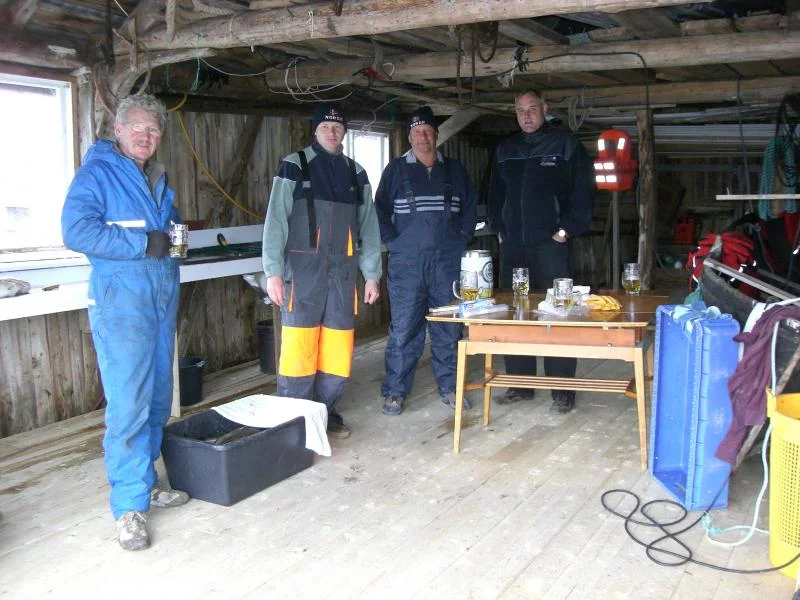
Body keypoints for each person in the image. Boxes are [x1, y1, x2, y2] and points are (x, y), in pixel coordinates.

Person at [61, 94, 189, 552]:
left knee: (158, 398)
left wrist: (172, 237)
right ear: (117, 130)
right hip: (122, 302)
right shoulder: (98, 173)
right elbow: (77, 231)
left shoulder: (156, 176)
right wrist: (143, 243)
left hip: (158, 300)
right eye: (137, 127)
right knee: (129, 404)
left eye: (153, 130)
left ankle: (147, 482)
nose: (145, 136)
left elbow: (164, 234)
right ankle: (129, 507)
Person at [262, 102, 382, 438]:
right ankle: (294, 421)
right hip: (303, 274)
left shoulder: (356, 173)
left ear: (344, 132)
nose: (332, 131)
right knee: (299, 349)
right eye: (326, 126)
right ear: (315, 130)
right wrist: (273, 270)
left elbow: (368, 226)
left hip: (343, 276)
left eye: (338, 126)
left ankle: (325, 413)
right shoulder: (295, 165)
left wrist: (372, 273)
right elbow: (275, 222)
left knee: (337, 350)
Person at [488, 90, 595, 414]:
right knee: (516, 314)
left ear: (544, 110)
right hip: (515, 247)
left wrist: (567, 230)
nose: (527, 115)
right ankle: (521, 385)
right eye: (521, 110)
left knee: (558, 313)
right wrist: (501, 231)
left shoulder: (565, 145)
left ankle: (563, 388)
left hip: (551, 246)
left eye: (532, 109)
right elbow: (493, 193)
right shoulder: (505, 149)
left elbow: (584, 190)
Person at [375, 106, 477, 415]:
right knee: (405, 328)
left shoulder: (455, 170)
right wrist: (393, 241)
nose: (424, 137)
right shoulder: (395, 170)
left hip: (446, 262)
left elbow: (470, 209)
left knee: (448, 326)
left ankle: (450, 387)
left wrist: (461, 238)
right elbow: (378, 211)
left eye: (429, 132)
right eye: (418, 132)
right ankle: (395, 391)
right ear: (409, 136)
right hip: (407, 264)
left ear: (436, 136)